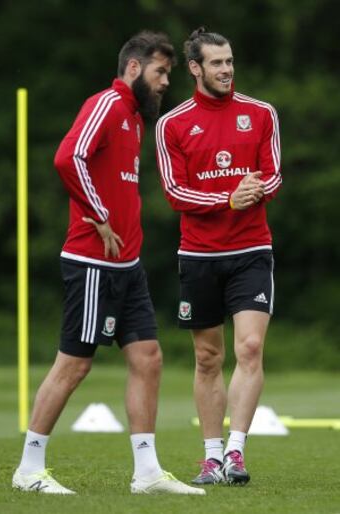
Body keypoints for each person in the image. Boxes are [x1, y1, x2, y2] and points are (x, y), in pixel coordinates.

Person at [12, 31, 205, 497]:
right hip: (92, 263)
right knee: (75, 365)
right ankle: (28, 468)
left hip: (127, 266)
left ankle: (147, 474)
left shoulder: (136, 120)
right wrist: (98, 216)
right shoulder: (107, 104)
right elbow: (68, 157)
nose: (164, 83)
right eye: (160, 72)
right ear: (134, 68)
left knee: (148, 358)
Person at [156, 27, 281, 485]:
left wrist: (257, 189)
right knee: (208, 358)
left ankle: (235, 452)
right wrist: (226, 199)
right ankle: (210, 457)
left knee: (249, 347)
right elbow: (173, 192)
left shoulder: (261, 113)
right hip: (199, 254)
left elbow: (274, 175)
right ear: (195, 68)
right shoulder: (172, 124)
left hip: (252, 249)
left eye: (229, 61)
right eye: (216, 63)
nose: (226, 69)